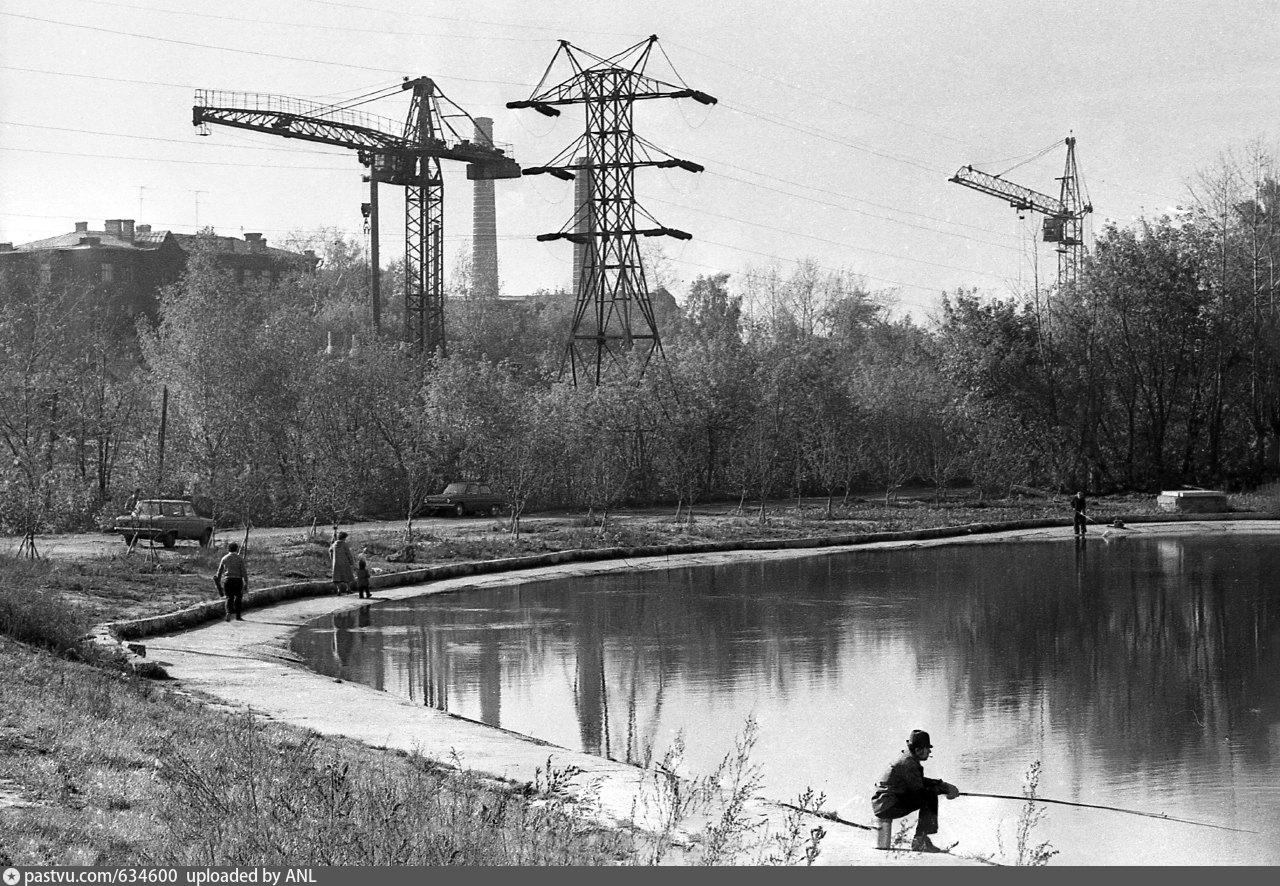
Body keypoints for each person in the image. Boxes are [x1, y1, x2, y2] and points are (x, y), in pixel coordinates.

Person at [871, 729, 959, 853]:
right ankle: (920, 840)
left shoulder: (907, 758)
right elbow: (919, 789)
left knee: (929, 793)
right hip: (887, 806)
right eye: (927, 748)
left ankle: (921, 838)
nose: (929, 751)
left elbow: (919, 780)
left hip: (883, 804)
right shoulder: (909, 763)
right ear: (918, 750)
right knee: (929, 795)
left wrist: (942, 785)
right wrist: (944, 789)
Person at [215, 541, 249, 622]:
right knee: (238, 598)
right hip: (238, 580)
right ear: (236, 549)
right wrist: (246, 582)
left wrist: (218, 581)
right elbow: (244, 571)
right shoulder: (240, 558)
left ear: (228, 549)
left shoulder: (224, 558)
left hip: (228, 580)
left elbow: (219, 571)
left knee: (229, 597)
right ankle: (238, 616)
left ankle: (228, 612)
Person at [330, 530, 355, 595]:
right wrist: (351, 561)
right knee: (347, 575)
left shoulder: (334, 544)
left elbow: (330, 551)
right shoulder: (344, 544)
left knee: (337, 577)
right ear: (344, 538)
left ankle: (339, 590)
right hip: (344, 562)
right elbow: (348, 553)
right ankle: (348, 589)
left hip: (336, 563)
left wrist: (332, 559)